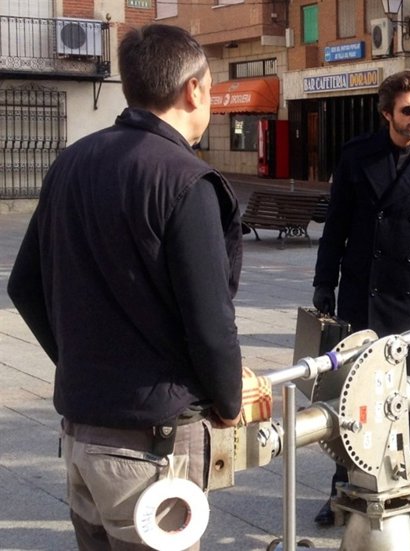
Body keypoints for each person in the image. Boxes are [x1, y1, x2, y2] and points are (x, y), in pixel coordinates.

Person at [6, 24, 243, 550]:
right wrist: (229, 402)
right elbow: (211, 322)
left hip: (83, 432)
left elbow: (24, 285)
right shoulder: (185, 179)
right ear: (194, 89)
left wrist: (80, 362)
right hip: (152, 445)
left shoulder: (69, 162)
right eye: (210, 88)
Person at [311, 69, 410, 526]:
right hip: (360, 295)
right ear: (387, 114)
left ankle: (406, 487)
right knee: (351, 399)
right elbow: (336, 228)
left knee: (407, 399)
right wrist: (324, 282)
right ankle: (341, 489)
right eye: (408, 110)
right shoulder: (357, 157)